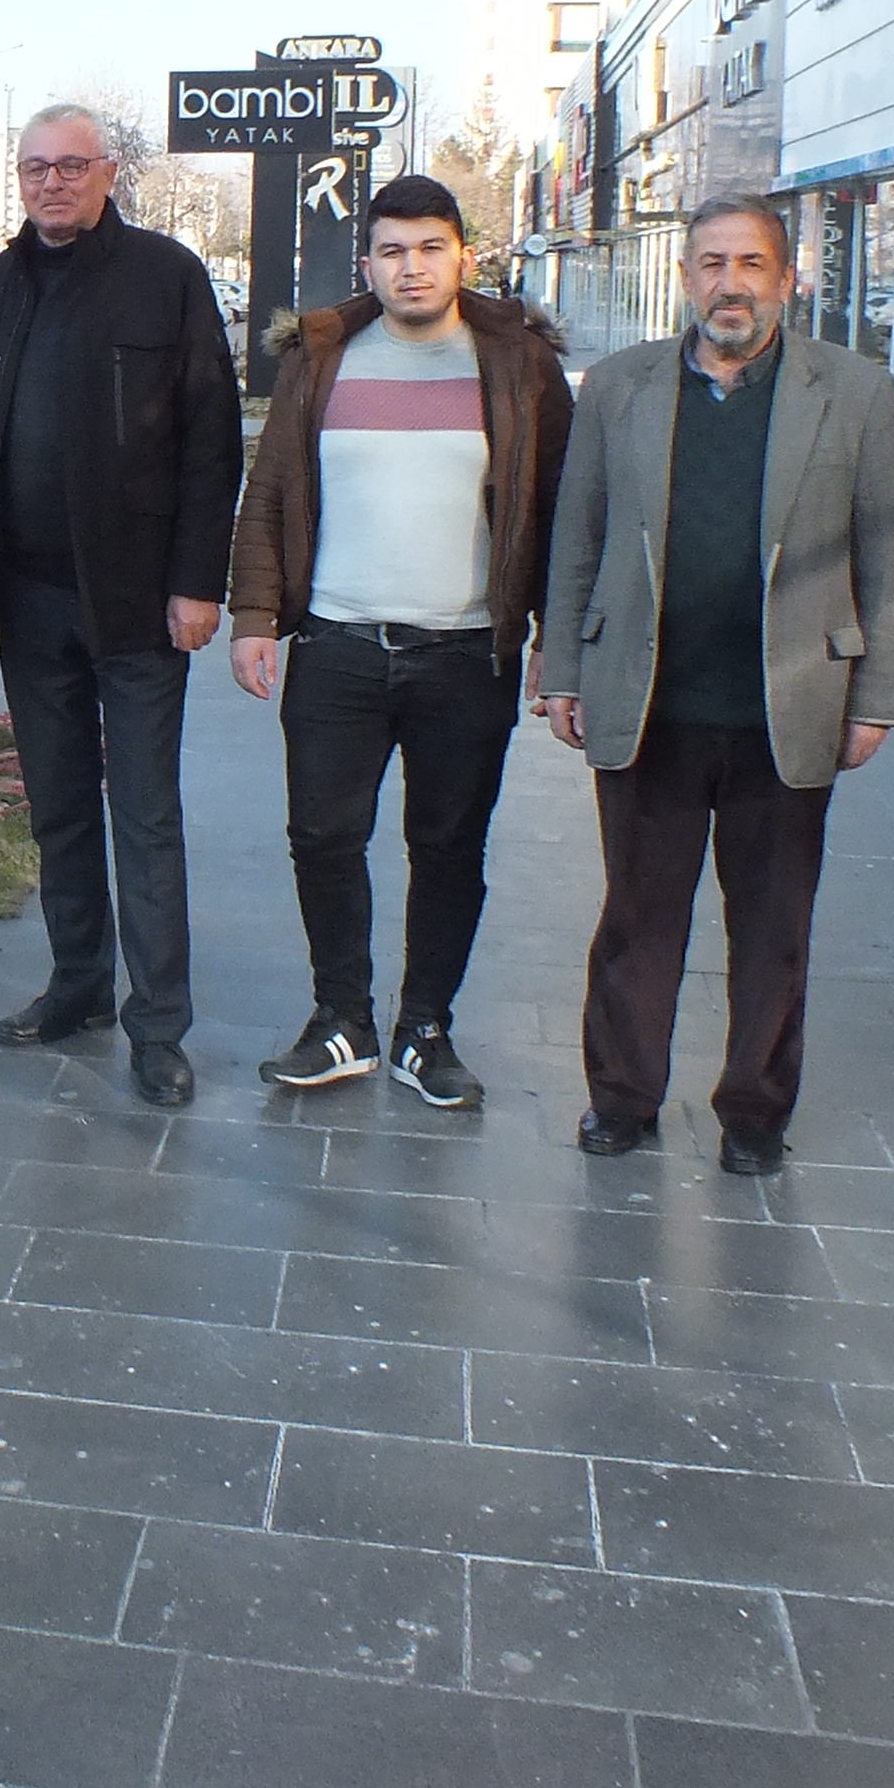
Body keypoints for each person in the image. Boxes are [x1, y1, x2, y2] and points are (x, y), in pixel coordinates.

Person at [538, 191, 894, 1174]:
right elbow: (577, 536)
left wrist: (878, 694)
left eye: (751, 264)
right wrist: (561, 668)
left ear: (787, 279)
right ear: (685, 278)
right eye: (712, 263)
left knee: (774, 929)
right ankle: (622, 1098)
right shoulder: (618, 387)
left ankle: (754, 1113)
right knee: (637, 920)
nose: (730, 284)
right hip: (648, 704)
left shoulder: (854, 391)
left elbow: (885, 554)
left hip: (786, 708)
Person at [229, 173, 573, 1112]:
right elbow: (271, 491)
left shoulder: (518, 363)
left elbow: (558, 507)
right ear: (368, 262)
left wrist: (554, 636)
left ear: (463, 255)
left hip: (466, 653)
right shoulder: (322, 357)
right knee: (322, 836)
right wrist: (254, 617)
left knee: (449, 845)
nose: (411, 268)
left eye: (429, 249)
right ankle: (341, 1018)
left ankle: (425, 1028)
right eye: (391, 251)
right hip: (337, 645)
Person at [0, 105, 244, 1109]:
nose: (52, 182)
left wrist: (199, 582)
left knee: (146, 816)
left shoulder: (165, 277)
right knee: (60, 805)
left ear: (108, 172)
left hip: (136, 602)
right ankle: (78, 983)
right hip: (30, 600)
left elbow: (213, 439)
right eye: (35, 167)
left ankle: (157, 1026)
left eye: (71, 165)